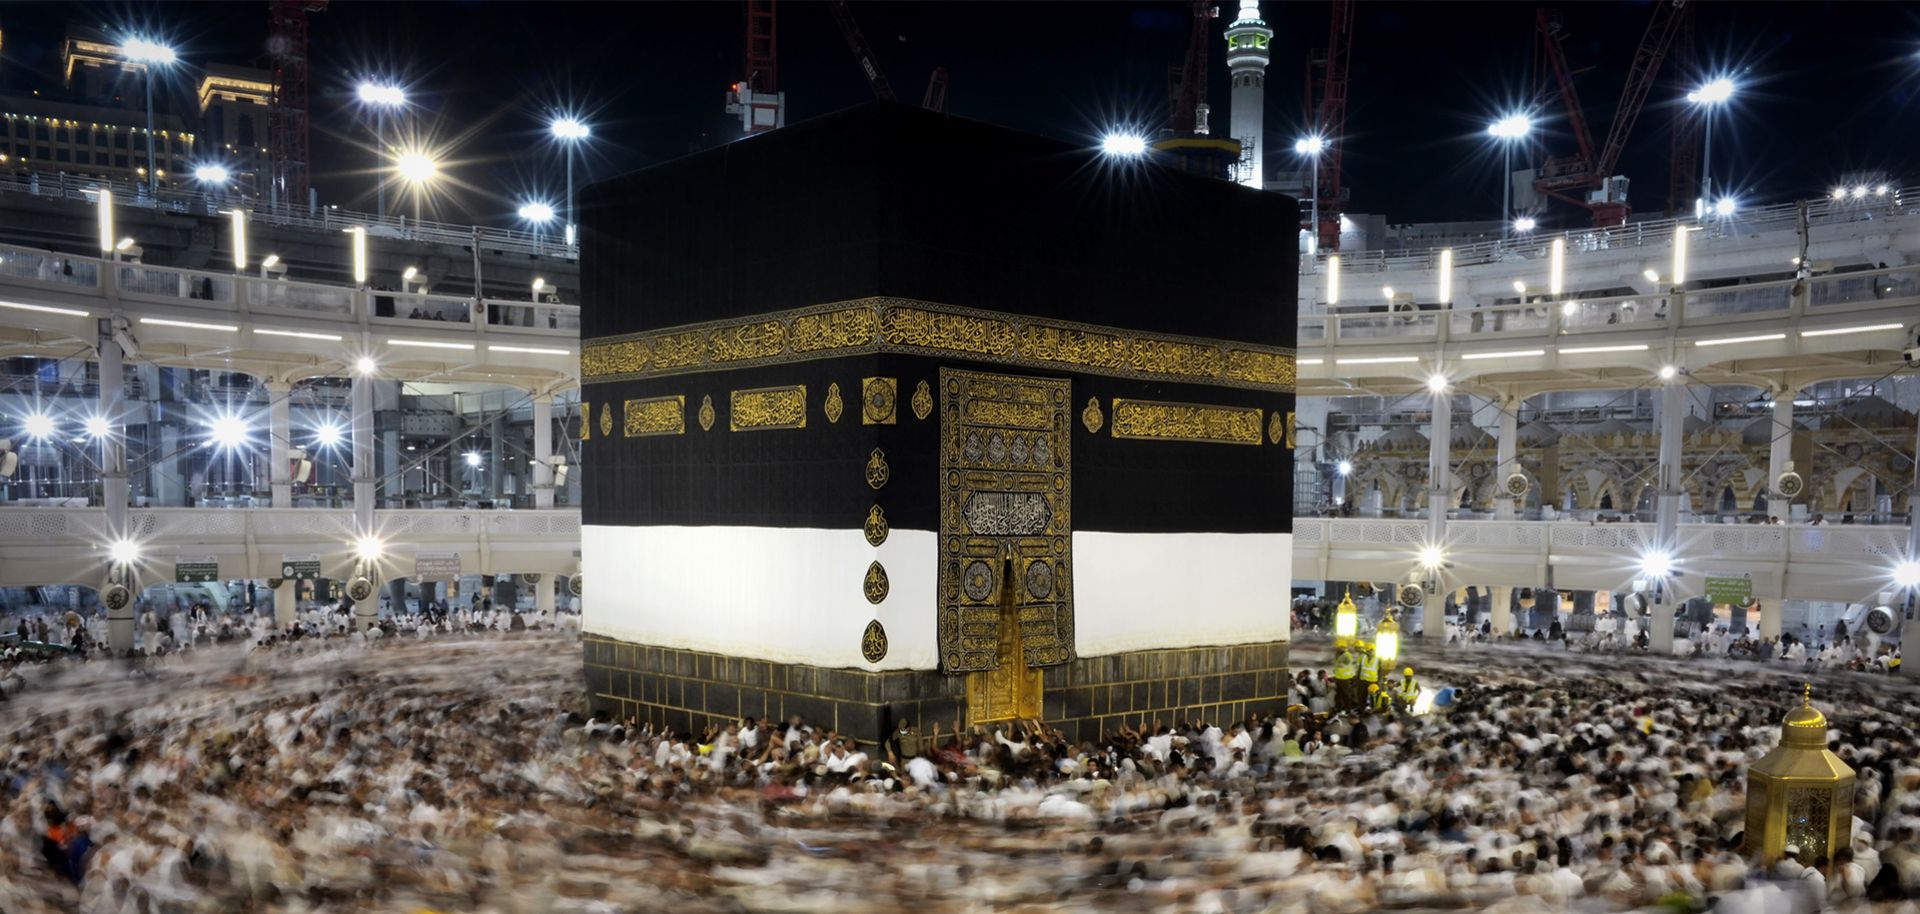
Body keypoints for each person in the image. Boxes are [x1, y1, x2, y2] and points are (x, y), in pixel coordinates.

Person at [1332, 644, 1359, 712]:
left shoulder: (1347, 655)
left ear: (1344, 648)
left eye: (1339, 647)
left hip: (1344, 677)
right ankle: (1338, 707)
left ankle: (1348, 708)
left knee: (1346, 694)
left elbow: (1344, 664)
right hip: (1339, 677)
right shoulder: (1338, 654)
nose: (1337, 648)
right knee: (1338, 694)